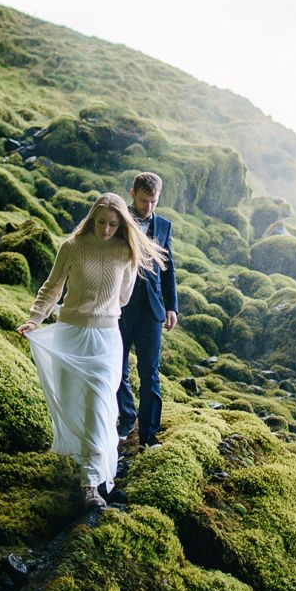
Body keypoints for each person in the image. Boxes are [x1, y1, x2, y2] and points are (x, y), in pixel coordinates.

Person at [18, 192, 165, 510]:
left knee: (99, 407)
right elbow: (52, 286)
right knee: (74, 403)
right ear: (92, 218)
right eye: (102, 222)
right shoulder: (72, 246)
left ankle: (90, 484)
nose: (108, 229)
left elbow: (124, 298)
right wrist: (35, 318)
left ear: (122, 224)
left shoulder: (126, 251)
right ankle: (82, 462)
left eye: (114, 224)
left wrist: (103, 304)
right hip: (71, 334)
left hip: (106, 339)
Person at [116, 172, 178, 449]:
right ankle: (127, 418)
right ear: (133, 194)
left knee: (150, 374)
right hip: (119, 306)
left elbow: (169, 268)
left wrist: (171, 307)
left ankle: (149, 437)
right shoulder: (118, 220)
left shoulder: (164, 226)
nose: (148, 207)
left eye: (153, 202)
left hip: (152, 310)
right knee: (115, 368)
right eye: (143, 201)